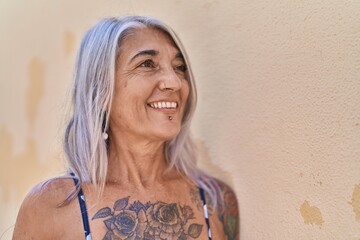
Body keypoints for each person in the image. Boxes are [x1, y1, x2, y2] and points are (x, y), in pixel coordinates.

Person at [13, 16, 239, 240]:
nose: (174, 81)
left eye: (179, 67)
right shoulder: (51, 206)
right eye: (147, 64)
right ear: (101, 90)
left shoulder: (216, 202)